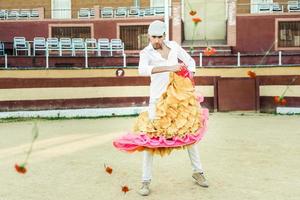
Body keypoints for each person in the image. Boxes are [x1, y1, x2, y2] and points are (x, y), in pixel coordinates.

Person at [113, 20, 209, 196]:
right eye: (153, 37)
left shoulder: (173, 46)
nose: (156, 40)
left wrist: (189, 78)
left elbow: (190, 61)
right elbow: (142, 70)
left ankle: (198, 172)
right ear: (149, 36)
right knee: (150, 140)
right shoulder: (146, 52)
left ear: (164, 36)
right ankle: (145, 181)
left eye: (159, 37)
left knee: (189, 136)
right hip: (157, 101)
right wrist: (169, 67)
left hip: (177, 99)